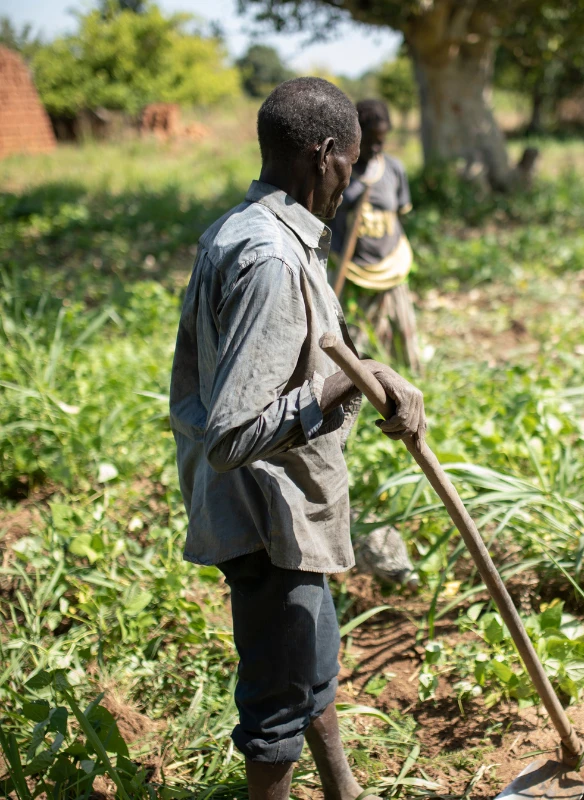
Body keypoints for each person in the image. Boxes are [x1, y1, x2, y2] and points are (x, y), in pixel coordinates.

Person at [169, 77, 426, 800]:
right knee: (279, 703)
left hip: (280, 510)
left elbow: (295, 357)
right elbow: (232, 432)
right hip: (265, 516)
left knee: (311, 661)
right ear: (323, 156)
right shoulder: (273, 261)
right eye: (348, 159)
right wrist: (339, 387)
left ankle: (344, 789)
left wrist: (369, 370)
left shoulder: (252, 228)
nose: (353, 176)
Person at [330, 99, 421, 373]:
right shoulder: (338, 173)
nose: (377, 147)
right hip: (353, 271)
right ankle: (349, 389)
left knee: (403, 333)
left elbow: (400, 214)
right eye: (370, 141)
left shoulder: (394, 170)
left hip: (391, 265)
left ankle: (413, 380)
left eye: (382, 140)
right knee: (352, 340)